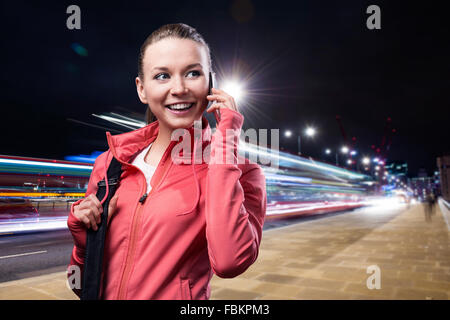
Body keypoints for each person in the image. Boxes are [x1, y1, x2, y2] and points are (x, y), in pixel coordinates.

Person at [66, 23, 267, 300]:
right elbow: (79, 285)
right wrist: (83, 242)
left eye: (193, 73)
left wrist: (226, 141)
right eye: (162, 76)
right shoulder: (111, 163)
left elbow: (230, 261)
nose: (179, 88)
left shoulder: (242, 172)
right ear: (142, 89)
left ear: (211, 82)